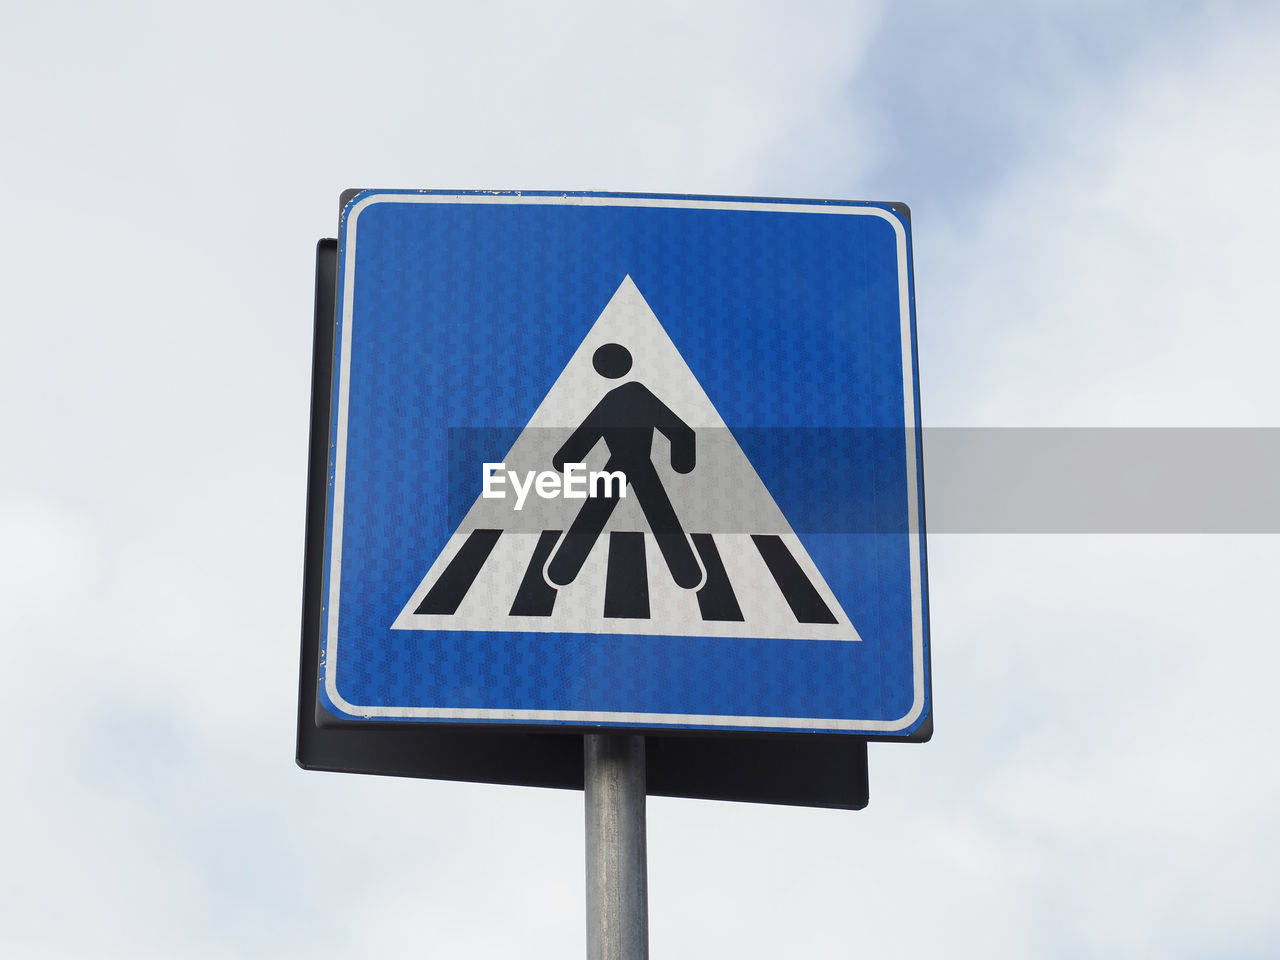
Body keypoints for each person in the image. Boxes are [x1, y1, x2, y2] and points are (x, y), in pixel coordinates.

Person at [546, 342, 702, 589]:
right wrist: (681, 462)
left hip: (623, 465)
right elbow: (683, 433)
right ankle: (687, 573)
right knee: (659, 516)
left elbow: (583, 438)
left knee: (595, 515)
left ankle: (562, 571)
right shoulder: (632, 395)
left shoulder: (619, 398)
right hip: (635, 466)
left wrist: (565, 462)